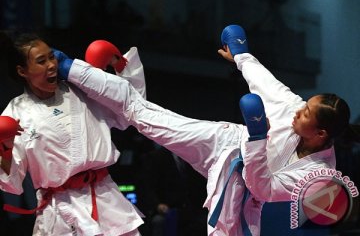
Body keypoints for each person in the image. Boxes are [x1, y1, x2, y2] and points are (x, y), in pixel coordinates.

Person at [54, 25, 356, 236]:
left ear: (320, 135)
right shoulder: (293, 107)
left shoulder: (318, 177)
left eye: (305, 113)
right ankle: (69, 68)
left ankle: (119, 79)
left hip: (245, 192)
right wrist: (241, 55)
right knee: (143, 116)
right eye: (303, 106)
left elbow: (262, 187)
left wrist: (258, 139)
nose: (298, 110)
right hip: (225, 143)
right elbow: (266, 83)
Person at [0, 32, 148, 235]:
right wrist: (5, 147)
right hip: (60, 210)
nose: (51, 65)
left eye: (51, 57)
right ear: (22, 71)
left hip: (107, 200)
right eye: (41, 61)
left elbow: (133, 109)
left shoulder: (82, 90)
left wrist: (120, 65)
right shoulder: (16, 113)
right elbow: (11, 183)